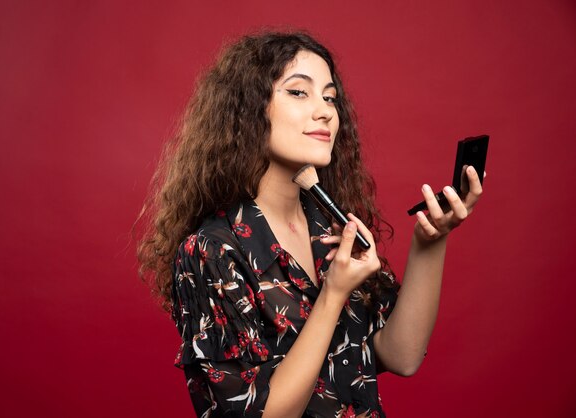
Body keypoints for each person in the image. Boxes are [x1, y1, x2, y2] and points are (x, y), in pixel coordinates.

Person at [137, 31, 484, 418]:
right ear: (250, 109)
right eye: (299, 92)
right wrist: (333, 294)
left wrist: (430, 241)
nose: (325, 111)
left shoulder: (329, 227)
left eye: (330, 97)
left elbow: (400, 357)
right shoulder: (212, 250)